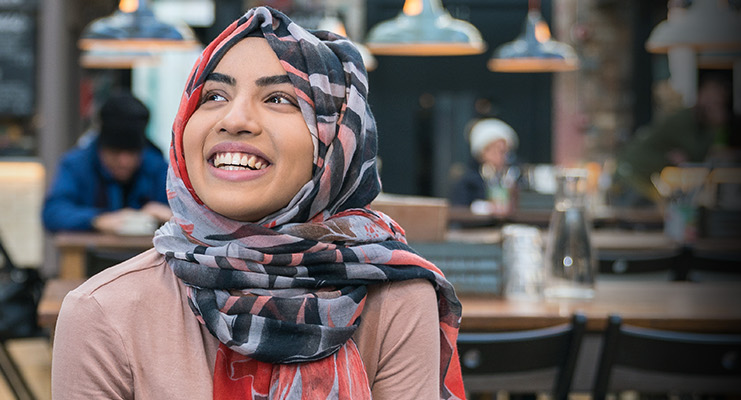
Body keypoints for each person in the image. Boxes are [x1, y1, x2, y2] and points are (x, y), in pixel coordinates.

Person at [51, 7, 464, 399]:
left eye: (279, 99)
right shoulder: (103, 313)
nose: (234, 119)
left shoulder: (396, 300)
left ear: (336, 144)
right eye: (213, 96)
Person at [41, 91, 171, 234]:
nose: (124, 161)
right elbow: (52, 214)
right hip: (91, 255)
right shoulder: (76, 165)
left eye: (132, 152)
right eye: (115, 152)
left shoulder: (157, 166)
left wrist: (170, 215)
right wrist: (97, 220)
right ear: (101, 148)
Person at [611, 72, 731, 207]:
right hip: (631, 173)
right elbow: (697, 157)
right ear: (700, 94)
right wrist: (717, 126)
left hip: (639, 176)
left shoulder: (699, 125)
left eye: (719, 101)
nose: (714, 103)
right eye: (711, 98)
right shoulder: (685, 119)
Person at [450, 117, 522, 216]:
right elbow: (459, 212)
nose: (501, 156)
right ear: (482, 153)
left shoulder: (514, 178)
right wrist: (486, 208)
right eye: (495, 150)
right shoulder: (469, 181)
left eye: (504, 151)